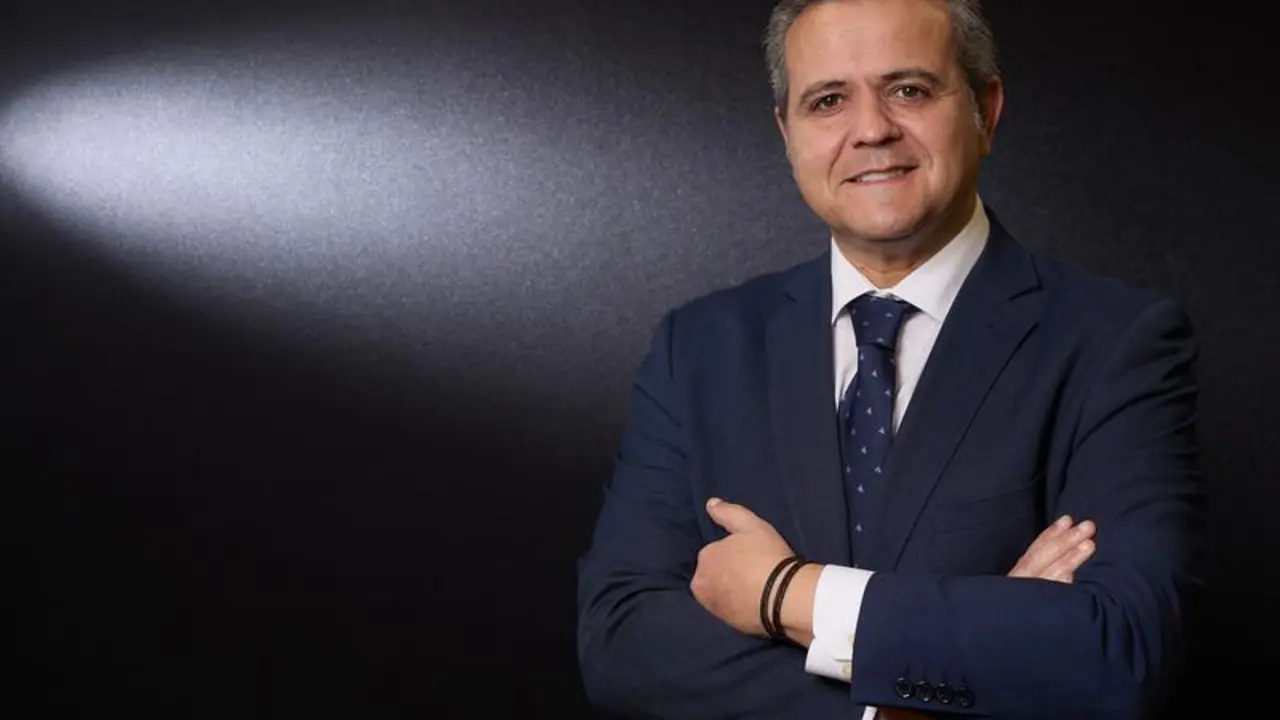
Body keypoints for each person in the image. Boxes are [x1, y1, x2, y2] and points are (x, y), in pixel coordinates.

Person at [575, 0, 1205, 717]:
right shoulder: (698, 348)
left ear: (986, 110)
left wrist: (785, 594)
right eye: (828, 101)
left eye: (909, 89)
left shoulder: (1116, 343)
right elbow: (621, 642)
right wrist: (915, 695)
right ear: (787, 133)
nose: (871, 129)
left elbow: (1118, 652)